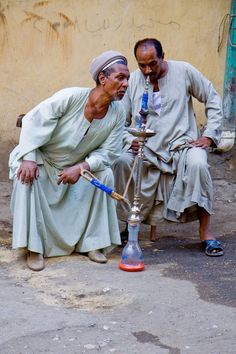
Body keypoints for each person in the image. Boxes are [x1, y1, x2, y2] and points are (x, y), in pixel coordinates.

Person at [9, 50, 130, 271]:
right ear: (102, 79)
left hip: (76, 166)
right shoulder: (71, 97)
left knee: (104, 174)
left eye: (127, 78)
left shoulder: (118, 113)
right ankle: (34, 248)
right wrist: (28, 158)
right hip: (42, 159)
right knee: (24, 177)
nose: (126, 84)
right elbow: (33, 121)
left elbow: (109, 152)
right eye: (120, 78)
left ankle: (93, 243)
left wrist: (81, 167)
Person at [113, 38, 224, 257]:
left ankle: (206, 232)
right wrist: (130, 140)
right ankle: (129, 227)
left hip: (182, 145)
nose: (147, 70)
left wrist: (209, 136)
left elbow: (212, 98)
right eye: (141, 64)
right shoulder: (133, 80)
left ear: (163, 57)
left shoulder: (183, 71)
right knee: (122, 162)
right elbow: (120, 121)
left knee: (198, 164)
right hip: (145, 148)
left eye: (152, 63)